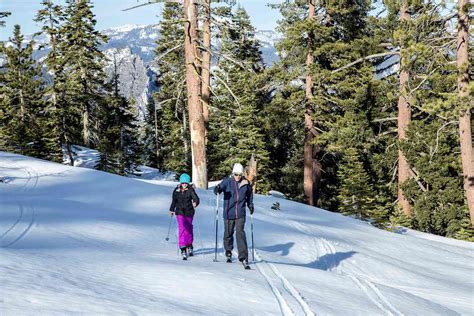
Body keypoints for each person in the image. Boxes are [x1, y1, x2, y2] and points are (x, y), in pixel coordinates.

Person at [213, 163, 254, 267]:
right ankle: (228, 251)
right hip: (228, 212)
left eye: (239, 174)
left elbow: (249, 196)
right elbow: (218, 189)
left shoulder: (245, 182)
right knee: (228, 233)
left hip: (240, 213)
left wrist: (250, 205)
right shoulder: (227, 182)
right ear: (233, 174)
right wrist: (217, 189)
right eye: (236, 174)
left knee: (240, 233)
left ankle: (243, 257)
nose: (237, 177)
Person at [169, 173, 200, 259]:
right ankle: (183, 247)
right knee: (182, 228)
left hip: (189, 212)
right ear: (180, 183)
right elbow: (174, 201)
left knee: (188, 228)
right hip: (179, 212)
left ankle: (189, 244)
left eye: (186, 183)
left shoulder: (191, 190)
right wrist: (171, 209)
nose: (184, 185)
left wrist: (195, 203)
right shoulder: (176, 190)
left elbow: (196, 198)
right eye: (183, 183)